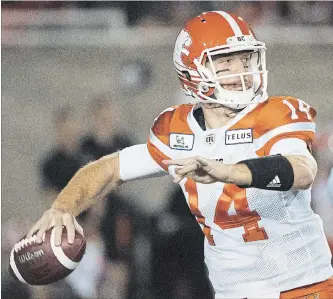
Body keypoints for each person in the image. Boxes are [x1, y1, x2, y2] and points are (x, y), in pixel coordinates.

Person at [27, 11, 333, 299]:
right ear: (193, 71)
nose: (242, 70)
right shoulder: (176, 131)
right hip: (234, 291)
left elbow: (301, 171)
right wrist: (63, 207)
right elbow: (108, 169)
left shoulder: (277, 114)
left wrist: (229, 172)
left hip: (304, 284)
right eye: (226, 62)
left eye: (245, 58)